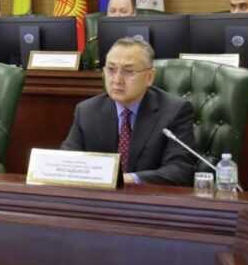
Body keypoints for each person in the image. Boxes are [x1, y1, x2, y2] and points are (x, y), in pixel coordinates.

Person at [60, 37, 195, 185]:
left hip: (149, 197)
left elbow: (181, 170)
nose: (117, 80)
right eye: (111, 69)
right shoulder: (87, 111)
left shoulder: (174, 111)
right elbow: (67, 161)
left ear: (149, 77)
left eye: (128, 71)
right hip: (100, 196)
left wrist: (126, 180)